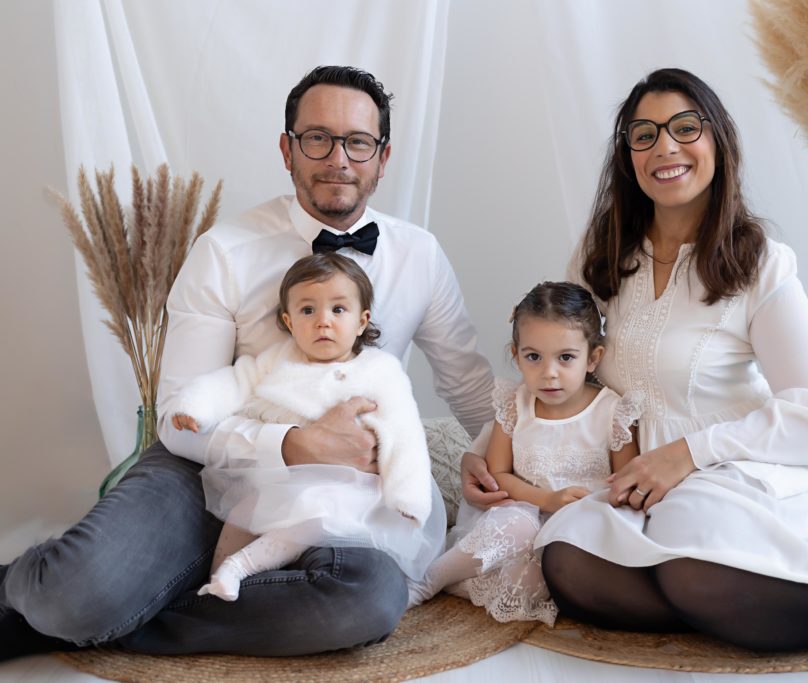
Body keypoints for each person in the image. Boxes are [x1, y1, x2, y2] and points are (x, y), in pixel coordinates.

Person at [466, 68, 808, 670]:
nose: (665, 148)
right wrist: (484, 451)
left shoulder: (757, 262)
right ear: (627, 155)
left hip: (733, 478)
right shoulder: (601, 256)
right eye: (644, 134)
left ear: (718, 141)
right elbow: (555, 367)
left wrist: (688, 454)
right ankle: (799, 595)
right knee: (569, 564)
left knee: (697, 575)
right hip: (632, 488)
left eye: (685, 128)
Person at [1, 65, 493, 659]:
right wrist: (292, 444)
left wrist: (513, 465)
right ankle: (42, 595)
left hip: (344, 496)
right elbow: (183, 421)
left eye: (358, 142)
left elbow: (468, 382)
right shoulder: (226, 250)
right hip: (205, 472)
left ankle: (130, 614)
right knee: (70, 596)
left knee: (367, 597)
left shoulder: (419, 253)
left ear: (382, 158)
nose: (339, 157)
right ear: (288, 150)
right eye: (318, 138)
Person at [168, 252, 442, 602]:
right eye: (308, 311)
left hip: (352, 489)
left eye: (338, 310)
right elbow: (236, 381)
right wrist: (196, 407)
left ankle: (241, 568)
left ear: (362, 320)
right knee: (241, 513)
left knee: (312, 511)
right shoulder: (277, 359)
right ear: (289, 321)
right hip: (281, 476)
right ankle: (214, 587)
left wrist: (407, 495)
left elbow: (404, 433)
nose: (323, 322)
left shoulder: (380, 371)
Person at [407, 282, 642, 625]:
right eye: (534, 357)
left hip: (577, 523)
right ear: (516, 356)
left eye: (566, 358)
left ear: (593, 358)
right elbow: (499, 474)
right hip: (524, 511)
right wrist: (546, 499)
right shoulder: (515, 404)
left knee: (535, 579)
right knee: (516, 527)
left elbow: (625, 484)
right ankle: (431, 578)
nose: (549, 372)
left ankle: (469, 579)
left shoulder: (613, 412)